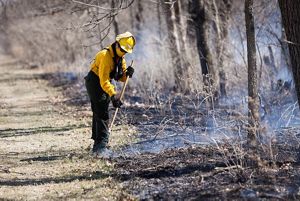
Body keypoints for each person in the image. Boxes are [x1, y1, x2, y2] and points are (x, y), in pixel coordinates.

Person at [85, 31, 135, 156]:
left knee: (99, 112)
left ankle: (97, 145)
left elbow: (121, 77)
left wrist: (127, 74)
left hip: (103, 83)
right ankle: (101, 147)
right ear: (117, 45)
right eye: (122, 50)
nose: (124, 53)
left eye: (126, 51)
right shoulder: (105, 56)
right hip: (95, 82)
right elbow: (104, 80)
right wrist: (113, 95)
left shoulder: (120, 58)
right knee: (102, 113)